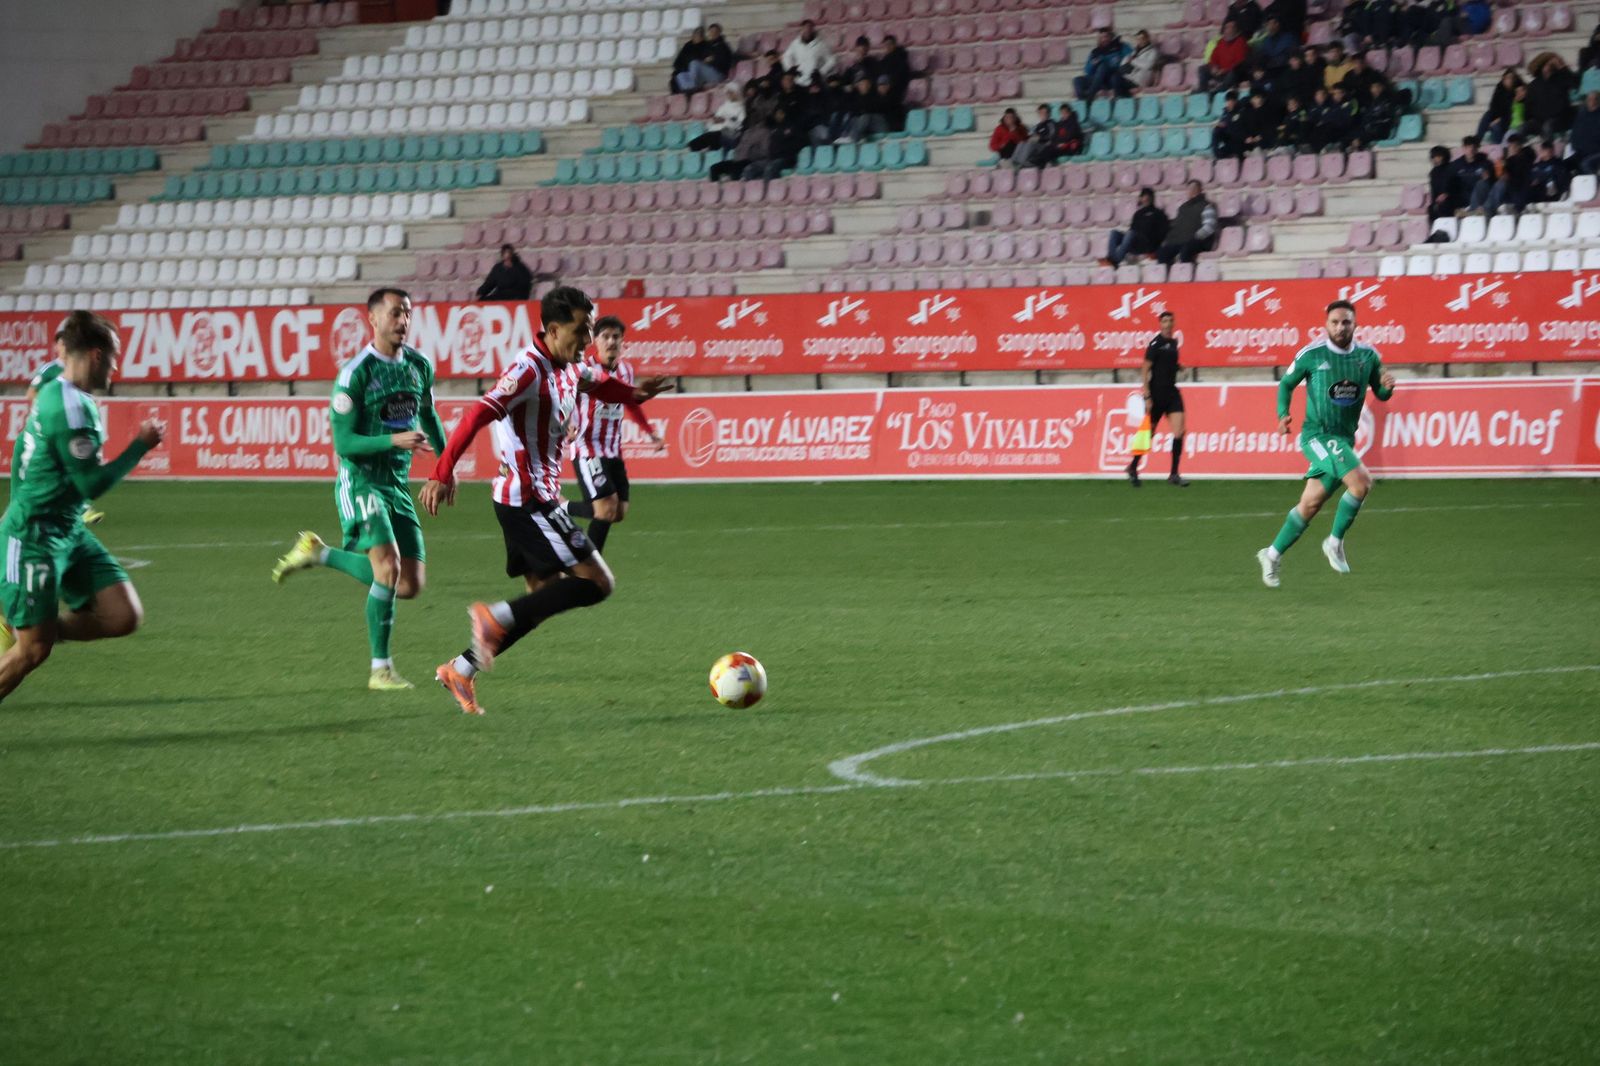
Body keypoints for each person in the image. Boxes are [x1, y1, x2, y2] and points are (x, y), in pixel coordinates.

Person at [419, 287, 672, 716]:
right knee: (597, 583)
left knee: (539, 601)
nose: (588, 340)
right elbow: (478, 414)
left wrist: (636, 396)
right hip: (529, 501)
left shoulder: (571, 366)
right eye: (581, 330)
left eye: (590, 330)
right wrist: (443, 472)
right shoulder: (527, 370)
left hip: (533, 498)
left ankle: (461, 668)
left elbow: (601, 385)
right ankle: (490, 616)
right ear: (553, 329)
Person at [271, 288, 445, 691]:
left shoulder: (418, 365)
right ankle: (380, 669)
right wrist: (393, 442)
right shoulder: (356, 373)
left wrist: (444, 467)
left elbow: (429, 416)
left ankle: (319, 553)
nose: (402, 321)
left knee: (409, 584)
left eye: (407, 313)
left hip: (396, 485)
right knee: (387, 567)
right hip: (361, 479)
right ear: (373, 319)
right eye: (395, 314)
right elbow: (344, 444)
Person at [0, 310, 164, 701]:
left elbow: (26, 444)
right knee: (33, 651)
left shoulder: (55, 385)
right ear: (95, 355)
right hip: (34, 537)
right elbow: (91, 483)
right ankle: (28, 630)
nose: (116, 365)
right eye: (114, 355)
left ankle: (26, 623)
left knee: (122, 616)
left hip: (67, 530)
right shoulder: (70, 409)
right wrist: (141, 445)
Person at [1256, 300, 1396, 588]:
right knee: (1361, 483)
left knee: (1310, 504)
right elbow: (1286, 384)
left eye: (1346, 322)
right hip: (1317, 436)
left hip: (1344, 439)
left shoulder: (1369, 356)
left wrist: (1387, 388)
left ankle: (1271, 554)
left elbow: (1380, 394)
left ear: (1355, 324)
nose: (1340, 327)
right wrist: (1283, 415)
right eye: (1335, 322)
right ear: (1326, 325)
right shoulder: (1312, 354)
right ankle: (1334, 542)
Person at [564, 316, 663, 553]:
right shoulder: (584, 370)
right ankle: (590, 567)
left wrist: (650, 432)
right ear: (595, 341)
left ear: (622, 341)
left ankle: (560, 507)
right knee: (606, 509)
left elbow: (631, 402)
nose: (611, 341)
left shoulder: (626, 370)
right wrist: (566, 422)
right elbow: (563, 397)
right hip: (587, 448)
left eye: (616, 337)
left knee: (618, 512)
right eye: (605, 336)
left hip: (612, 449)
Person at [26, 329, 106, 526]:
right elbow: (31, 394)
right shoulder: (49, 370)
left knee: (74, 466)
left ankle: (79, 508)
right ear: (57, 347)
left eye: (66, 344)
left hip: (73, 427)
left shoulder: (79, 370)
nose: (63, 348)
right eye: (61, 344)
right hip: (52, 429)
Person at [1126, 311, 1188, 488]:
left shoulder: (1173, 343)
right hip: (1156, 394)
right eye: (1164, 321)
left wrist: (1179, 367)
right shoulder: (1156, 343)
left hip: (1172, 393)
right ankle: (1133, 466)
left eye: (1170, 320)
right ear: (1160, 324)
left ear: (1174, 323)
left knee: (1179, 431)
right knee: (1148, 434)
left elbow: (1167, 363)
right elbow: (1145, 370)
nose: (1168, 324)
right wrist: (1146, 395)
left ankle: (1174, 474)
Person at [1157, 180, 1218, 265]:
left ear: (1200, 190)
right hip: (1180, 241)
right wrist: (1168, 239)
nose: (1191, 191)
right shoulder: (1182, 208)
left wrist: (1196, 237)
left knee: (1186, 251)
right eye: (1189, 188)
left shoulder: (1207, 205)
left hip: (1199, 241)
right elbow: (1176, 226)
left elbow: (1210, 226)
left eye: (1194, 188)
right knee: (1163, 253)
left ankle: (1187, 275)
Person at [1107, 187, 1170, 267]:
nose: (1146, 198)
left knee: (1130, 233)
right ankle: (1112, 258)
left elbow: (1164, 232)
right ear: (1141, 198)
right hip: (1136, 243)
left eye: (1148, 196)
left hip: (1148, 245)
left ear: (1152, 198)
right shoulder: (1138, 214)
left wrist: (1156, 244)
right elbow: (1132, 229)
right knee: (1114, 233)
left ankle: (1116, 260)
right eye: (1144, 196)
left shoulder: (1159, 213)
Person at [1075, 28, 1133, 100]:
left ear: (1111, 37)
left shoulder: (1120, 47)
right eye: (1101, 37)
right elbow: (1087, 71)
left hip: (1113, 78)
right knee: (1078, 80)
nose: (1104, 39)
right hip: (1098, 81)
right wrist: (1093, 64)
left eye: (1106, 37)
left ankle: (1091, 94)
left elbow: (1131, 57)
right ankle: (1082, 100)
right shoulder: (1095, 52)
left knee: (1103, 66)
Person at [689, 81, 746, 151]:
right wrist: (715, 120)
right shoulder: (724, 106)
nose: (729, 95)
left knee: (710, 137)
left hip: (730, 132)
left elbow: (739, 124)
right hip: (718, 130)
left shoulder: (741, 107)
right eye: (728, 92)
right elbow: (717, 118)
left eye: (731, 92)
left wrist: (725, 121)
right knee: (695, 143)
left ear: (737, 93)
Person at [1199, 20, 1250, 93]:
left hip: (1233, 73)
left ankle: (1218, 92)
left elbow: (1240, 63)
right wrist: (1214, 66)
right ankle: (1202, 93)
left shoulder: (1241, 42)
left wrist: (1224, 70)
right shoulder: (1221, 42)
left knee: (1233, 72)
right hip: (1219, 72)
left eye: (1230, 27)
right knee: (1202, 69)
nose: (1226, 30)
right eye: (1226, 27)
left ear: (1236, 30)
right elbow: (1213, 57)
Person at [1477, 69, 1524, 145]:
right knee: (1487, 114)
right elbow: (1493, 106)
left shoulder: (1517, 91)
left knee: (1495, 126)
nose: (1509, 80)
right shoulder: (1499, 89)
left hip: (1508, 120)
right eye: (1507, 78)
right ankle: (1477, 140)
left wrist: (1499, 119)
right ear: (1503, 79)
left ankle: (1498, 147)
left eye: (1512, 78)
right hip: (1497, 118)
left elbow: (1511, 110)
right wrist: (1494, 119)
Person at [783, 20, 837, 86]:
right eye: (805, 28)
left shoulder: (821, 44)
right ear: (801, 29)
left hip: (815, 81)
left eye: (810, 28)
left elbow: (831, 60)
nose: (807, 30)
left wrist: (821, 72)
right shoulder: (795, 43)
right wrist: (791, 70)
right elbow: (786, 56)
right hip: (799, 80)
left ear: (813, 29)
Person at [1011, 104, 1057, 168]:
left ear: (1049, 113)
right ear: (1039, 113)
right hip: (1037, 145)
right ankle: (1014, 161)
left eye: (1045, 112)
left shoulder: (1051, 123)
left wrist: (1040, 138)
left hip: (1045, 145)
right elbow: (1032, 134)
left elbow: (1052, 136)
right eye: (1041, 112)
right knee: (1022, 142)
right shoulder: (1038, 125)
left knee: (1030, 143)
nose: (1043, 114)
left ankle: (1022, 162)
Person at [1528, 140, 1571, 204]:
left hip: (1554, 195)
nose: (1542, 152)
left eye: (1545, 150)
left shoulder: (1558, 164)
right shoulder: (1536, 166)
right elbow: (1531, 180)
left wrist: (1542, 178)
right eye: (1542, 150)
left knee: (1550, 181)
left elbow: (1562, 179)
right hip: (1538, 196)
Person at [1426, 145, 1458, 221]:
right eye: (1433, 157)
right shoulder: (1433, 172)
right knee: (1431, 208)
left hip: (1452, 200)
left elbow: (1456, 187)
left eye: (1437, 156)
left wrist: (1447, 194)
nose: (1434, 159)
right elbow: (1434, 191)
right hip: (1439, 201)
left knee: (1444, 205)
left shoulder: (1452, 169)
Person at [1571, 92, 1600, 176]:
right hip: (1580, 151)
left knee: (1585, 164)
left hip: (1596, 152)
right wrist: (1574, 145)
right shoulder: (1582, 114)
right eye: (1589, 99)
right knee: (1564, 164)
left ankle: (1595, 185)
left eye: (1594, 99)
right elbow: (1575, 131)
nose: (1591, 101)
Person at [1212, 92, 1248, 159]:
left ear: (1236, 101)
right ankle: (1217, 154)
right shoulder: (1225, 112)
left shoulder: (1241, 111)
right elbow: (1222, 123)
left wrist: (1227, 125)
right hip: (1229, 140)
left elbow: (1238, 127)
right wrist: (1220, 125)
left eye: (1231, 101)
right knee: (1216, 129)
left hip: (1239, 140)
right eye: (1228, 101)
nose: (1229, 103)